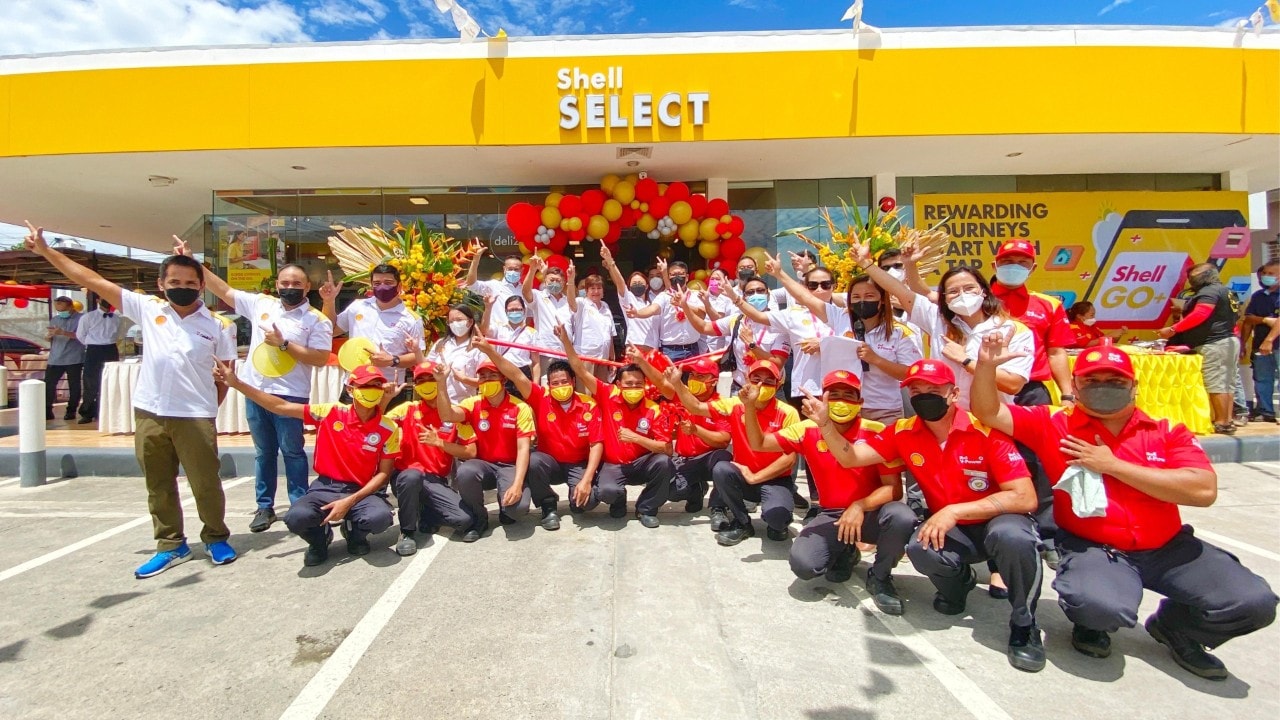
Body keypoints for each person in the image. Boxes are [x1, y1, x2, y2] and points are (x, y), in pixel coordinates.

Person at [971, 334, 1277, 680]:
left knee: (1254, 603)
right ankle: (1091, 624)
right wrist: (985, 366)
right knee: (1098, 605)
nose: (1104, 386)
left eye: (1115, 380)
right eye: (1092, 380)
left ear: (1133, 385)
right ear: (1076, 384)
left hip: (1167, 547)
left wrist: (1113, 465)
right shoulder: (1053, 423)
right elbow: (988, 411)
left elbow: (1203, 490)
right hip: (1097, 548)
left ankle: (1177, 627)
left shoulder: (1165, 431)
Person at [25, 222, 239, 578]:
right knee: (158, 484)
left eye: (190, 283)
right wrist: (47, 251)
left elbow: (225, 376)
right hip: (150, 413)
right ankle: (171, 545)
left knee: (205, 484)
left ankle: (216, 537)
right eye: (175, 283)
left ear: (202, 285)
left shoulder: (219, 325)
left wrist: (205, 408)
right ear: (161, 284)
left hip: (195, 415)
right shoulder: (147, 309)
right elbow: (93, 280)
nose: (182, 289)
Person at [824, 358, 1046, 672]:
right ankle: (958, 584)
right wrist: (825, 426)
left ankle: (1025, 626)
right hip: (950, 528)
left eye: (933, 389)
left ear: (953, 394)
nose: (924, 396)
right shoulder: (903, 432)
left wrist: (956, 510)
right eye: (916, 390)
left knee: (1013, 537)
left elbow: (1024, 496)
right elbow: (853, 458)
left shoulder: (985, 431)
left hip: (996, 520)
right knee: (919, 547)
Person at [178, 239, 336, 533]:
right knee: (264, 453)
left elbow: (320, 357)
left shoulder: (317, 320)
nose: (291, 287)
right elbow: (222, 289)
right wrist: (192, 262)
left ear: (307, 287)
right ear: (277, 284)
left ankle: (299, 506)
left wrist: (285, 344)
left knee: (293, 451)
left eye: (297, 283)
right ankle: (264, 507)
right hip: (254, 391)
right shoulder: (260, 304)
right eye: (286, 282)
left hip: (291, 394)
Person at [755, 370, 914, 615]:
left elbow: (893, 489)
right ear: (823, 399)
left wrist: (860, 505)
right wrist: (748, 407)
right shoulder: (807, 429)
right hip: (831, 514)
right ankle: (845, 552)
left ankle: (880, 576)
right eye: (834, 395)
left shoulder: (877, 430)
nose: (841, 402)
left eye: (849, 396)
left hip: (871, 512)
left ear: (860, 403)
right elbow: (760, 444)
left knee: (901, 516)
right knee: (803, 564)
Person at [220, 362, 401, 566]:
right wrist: (236, 383)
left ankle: (354, 534)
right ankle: (319, 540)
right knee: (296, 517)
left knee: (380, 518)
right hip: (326, 486)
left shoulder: (389, 427)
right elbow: (281, 406)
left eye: (377, 386)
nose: (372, 391)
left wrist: (348, 502)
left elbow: (384, 474)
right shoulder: (329, 412)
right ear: (351, 390)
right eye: (365, 386)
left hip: (361, 489)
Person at [858, 245, 1034, 408]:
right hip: (946, 419)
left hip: (991, 422)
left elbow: (1013, 385)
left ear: (984, 291)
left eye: (969, 288)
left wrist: (967, 361)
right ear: (944, 298)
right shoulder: (937, 320)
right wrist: (866, 263)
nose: (962, 295)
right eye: (953, 291)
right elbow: (899, 291)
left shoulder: (1013, 330)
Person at [751, 258, 922, 420]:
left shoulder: (899, 332)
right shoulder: (840, 317)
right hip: (842, 407)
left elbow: (911, 372)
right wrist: (780, 274)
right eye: (856, 297)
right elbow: (806, 298)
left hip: (883, 410)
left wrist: (876, 359)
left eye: (869, 296)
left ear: (882, 300)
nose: (862, 301)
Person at [669, 360, 801, 545]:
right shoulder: (734, 404)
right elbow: (696, 407)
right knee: (722, 469)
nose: (761, 385)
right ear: (746, 379)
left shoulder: (788, 413)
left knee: (777, 522)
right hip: (743, 475)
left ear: (778, 385)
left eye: (769, 381)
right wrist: (677, 383)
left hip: (774, 479)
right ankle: (742, 522)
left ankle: (777, 519)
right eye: (756, 379)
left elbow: (789, 459)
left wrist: (756, 477)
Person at [556, 324, 675, 527]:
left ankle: (646, 508)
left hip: (640, 463)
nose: (633, 388)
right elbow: (579, 369)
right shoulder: (608, 395)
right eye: (628, 384)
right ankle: (618, 500)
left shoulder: (653, 409)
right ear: (619, 385)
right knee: (607, 492)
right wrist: (566, 340)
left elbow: (668, 449)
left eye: (638, 384)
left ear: (645, 385)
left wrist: (636, 438)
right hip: (613, 465)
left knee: (664, 463)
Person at [476, 336, 605, 521]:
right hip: (548, 462)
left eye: (564, 382)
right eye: (555, 383)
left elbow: (596, 444)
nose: (560, 386)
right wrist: (490, 351)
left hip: (577, 463)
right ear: (548, 385)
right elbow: (516, 375)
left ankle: (575, 495)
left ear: (573, 382)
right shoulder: (541, 397)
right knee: (533, 460)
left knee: (588, 502)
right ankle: (548, 504)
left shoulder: (588, 405)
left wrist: (587, 480)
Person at [433, 355, 556, 540]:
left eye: (492, 376)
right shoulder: (472, 403)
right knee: (466, 471)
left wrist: (517, 485)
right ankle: (479, 518)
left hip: (510, 466)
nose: (486, 380)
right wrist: (441, 383)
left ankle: (506, 502)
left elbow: (524, 449)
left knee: (517, 510)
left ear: (503, 379)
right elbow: (447, 415)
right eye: (482, 377)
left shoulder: (520, 408)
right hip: (483, 466)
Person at [385, 361, 479, 555]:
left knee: (463, 520)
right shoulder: (407, 409)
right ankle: (407, 532)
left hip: (435, 480)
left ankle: (426, 511)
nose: (427, 383)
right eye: (421, 380)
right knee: (411, 477)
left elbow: (470, 452)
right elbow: (376, 424)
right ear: (416, 385)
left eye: (432, 379)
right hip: (407, 477)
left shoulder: (454, 414)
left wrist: (440, 443)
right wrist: (386, 399)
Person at [629, 351, 732, 517]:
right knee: (672, 491)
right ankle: (696, 490)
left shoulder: (721, 405)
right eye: (692, 375)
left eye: (700, 376)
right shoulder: (684, 396)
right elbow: (662, 382)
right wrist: (642, 362)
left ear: (713, 382)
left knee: (724, 460)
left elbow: (724, 440)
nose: (694, 380)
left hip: (709, 458)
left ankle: (718, 508)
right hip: (685, 460)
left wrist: (696, 431)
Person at [320, 265, 424, 404]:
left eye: (388, 283)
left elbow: (418, 356)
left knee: (387, 426)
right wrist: (329, 301)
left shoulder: (411, 319)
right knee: (349, 425)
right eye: (377, 283)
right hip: (356, 384)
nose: (382, 287)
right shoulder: (357, 307)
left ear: (399, 286)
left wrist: (393, 360)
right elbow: (330, 330)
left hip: (388, 389)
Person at [1158, 263, 1240, 434]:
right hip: (1226, 341)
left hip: (1214, 343)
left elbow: (1201, 313)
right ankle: (1227, 419)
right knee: (1226, 382)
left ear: (1208, 274)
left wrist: (1174, 329)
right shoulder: (1225, 291)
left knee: (1216, 382)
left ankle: (1222, 422)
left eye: (1194, 275)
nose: (1191, 278)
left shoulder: (1209, 292)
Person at [680, 277, 788, 393]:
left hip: (768, 389)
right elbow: (704, 327)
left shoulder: (779, 323)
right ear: (744, 297)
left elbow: (778, 363)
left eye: (760, 291)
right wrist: (685, 307)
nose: (756, 295)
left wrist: (752, 345)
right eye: (750, 292)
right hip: (738, 388)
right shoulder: (737, 320)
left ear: (768, 295)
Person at [626, 260, 704, 362]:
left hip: (693, 349)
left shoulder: (695, 295)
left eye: (680, 274)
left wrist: (684, 305)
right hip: (671, 351)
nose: (677, 277)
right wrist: (637, 313)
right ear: (669, 277)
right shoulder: (664, 296)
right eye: (673, 275)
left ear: (687, 277)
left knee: (693, 378)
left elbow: (702, 314)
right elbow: (653, 309)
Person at [599, 245, 659, 353]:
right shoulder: (628, 299)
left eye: (640, 283)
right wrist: (610, 262)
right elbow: (620, 282)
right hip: (635, 348)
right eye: (634, 283)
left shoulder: (654, 303)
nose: (637, 285)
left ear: (646, 286)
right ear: (629, 287)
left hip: (653, 350)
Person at [522, 256, 572, 377]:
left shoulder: (569, 301)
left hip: (567, 353)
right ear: (545, 281)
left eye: (558, 281)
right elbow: (525, 291)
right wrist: (532, 269)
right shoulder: (538, 297)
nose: (555, 283)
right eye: (551, 280)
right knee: (546, 387)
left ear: (564, 282)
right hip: (546, 352)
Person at [1243, 261, 1280, 423]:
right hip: (1260, 345)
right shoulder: (1259, 296)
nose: (1266, 277)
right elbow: (1248, 318)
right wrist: (1243, 343)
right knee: (1262, 379)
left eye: (1271, 274)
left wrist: (1269, 340)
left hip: (1274, 344)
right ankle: (1266, 412)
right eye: (1265, 273)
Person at [74, 297, 121, 423]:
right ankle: (87, 412)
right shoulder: (88, 317)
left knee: (110, 380)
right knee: (91, 381)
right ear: (98, 300)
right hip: (94, 350)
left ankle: (106, 411)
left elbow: (118, 334)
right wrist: (92, 344)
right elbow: (80, 335)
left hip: (110, 349)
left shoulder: (116, 318)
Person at [566, 269, 617, 383]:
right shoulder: (582, 303)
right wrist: (570, 280)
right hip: (586, 359)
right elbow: (571, 303)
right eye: (592, 288)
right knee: (586, 395)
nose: (596, 291)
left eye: (599, 288)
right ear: (586, 291)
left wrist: (612, 360)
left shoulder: (606, 307)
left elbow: (610, 336)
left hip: (603, 360)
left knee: (601, 395)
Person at [426, 304, 483, 404]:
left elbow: (484, 381)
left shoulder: (478, 347)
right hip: (436, 404)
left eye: (459, 320)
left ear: (470, 322)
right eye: (451, 321)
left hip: (463, 406)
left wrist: (464, 379)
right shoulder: (441, 343)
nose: (455, 324)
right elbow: (426, 368)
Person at [44, 295, 85, 421]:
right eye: (58, 309)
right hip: (55, 357)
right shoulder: (55, 319)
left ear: (70, 306)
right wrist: (49, 336)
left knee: (74, 385)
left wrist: (63, 333)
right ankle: (47, 410)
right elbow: (50, 335)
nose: (60, 312)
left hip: (74, 357)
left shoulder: (81, 319)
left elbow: (81, 336)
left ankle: (71, 410)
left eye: (62, 309)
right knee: (49, 384)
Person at [481, 293, 537, 386]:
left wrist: (535, 385)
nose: (515, 312)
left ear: (524, 310)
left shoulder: (532, 332)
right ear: (506, 312)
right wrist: (488, 307)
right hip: (502, 371)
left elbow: (536, 362)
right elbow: (484, 330)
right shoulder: (499, 328)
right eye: (511, 310)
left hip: (523, 372)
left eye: (518, 309)